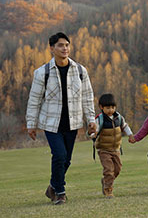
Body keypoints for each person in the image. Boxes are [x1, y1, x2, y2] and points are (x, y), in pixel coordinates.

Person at [26, 32, 96, 205]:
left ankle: (52, 186)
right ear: (51, 48)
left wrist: (91, 120)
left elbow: (87, 97)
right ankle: (60, 192)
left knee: (66, 160)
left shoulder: (80, 70)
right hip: (51, 123)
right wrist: (31, 124)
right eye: (60, 45)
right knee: (59, 155)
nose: (64, 48)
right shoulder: (42, 73)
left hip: (72, 122)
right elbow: (34, 99)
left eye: (67, 45)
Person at [91, 93, 136, 199]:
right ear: (101, 107)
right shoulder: (100, 119)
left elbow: (125, 126)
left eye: (112, 107)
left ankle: (106, 181)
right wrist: (93, 134)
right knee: (109, 170)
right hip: (104, 150)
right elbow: (94, 130)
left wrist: (130, 135)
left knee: (117, 169)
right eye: (107, 108)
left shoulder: (118, 117)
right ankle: (108, 190)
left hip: (116, 149)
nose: (110, 110)